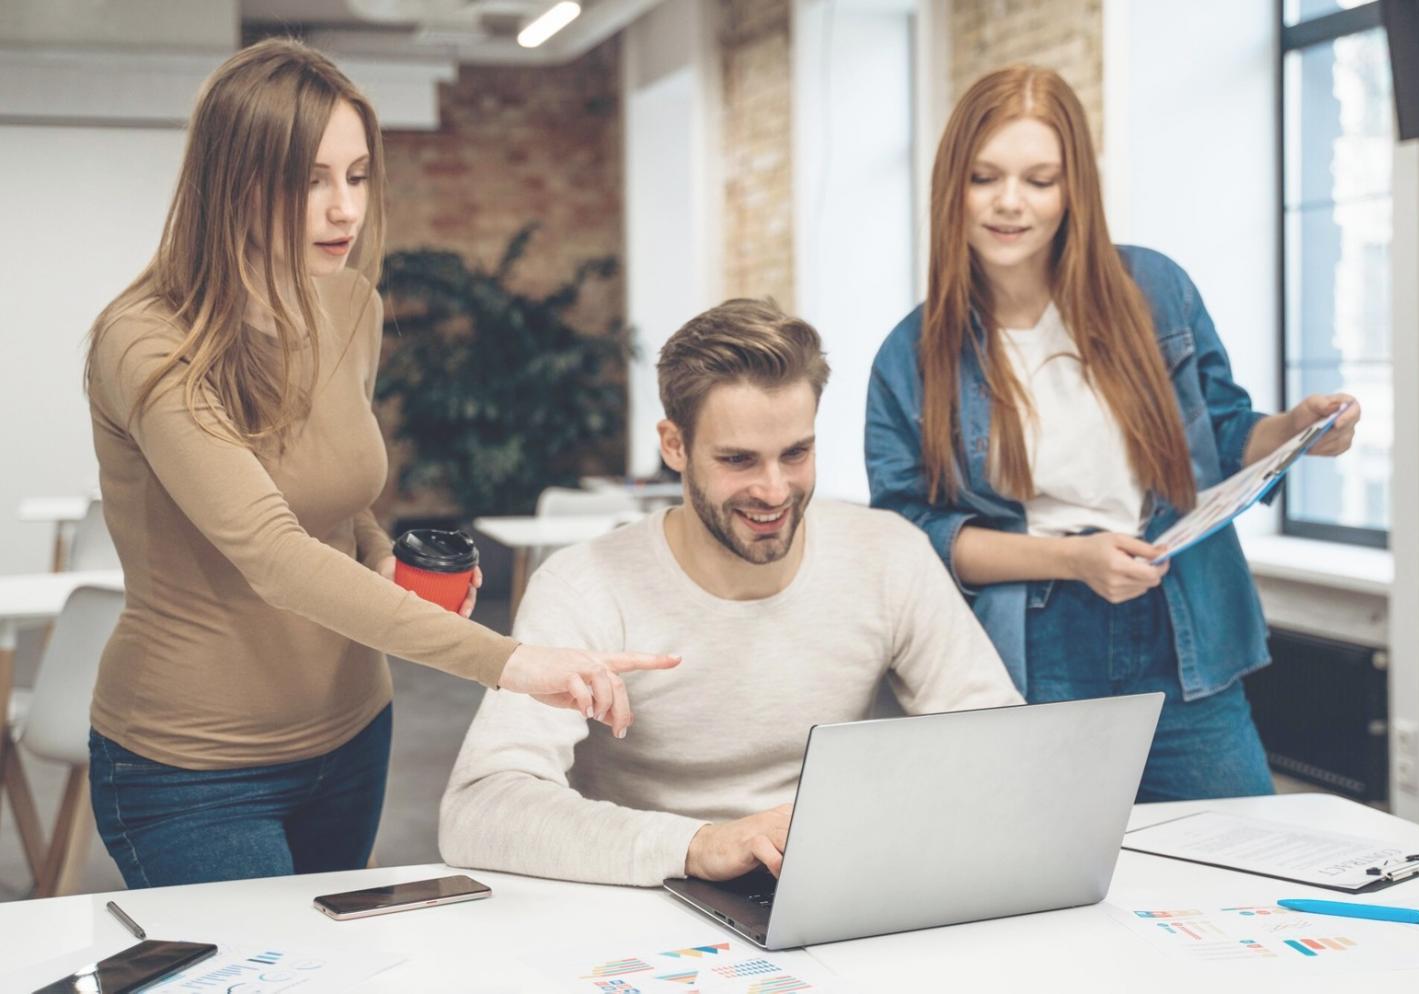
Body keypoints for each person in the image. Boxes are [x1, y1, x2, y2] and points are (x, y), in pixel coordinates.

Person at [83, 38, 677, 889]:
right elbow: (276, 554)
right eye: (310, 180)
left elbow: (339, 503)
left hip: (352, 736)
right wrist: (508, 659)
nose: (344, 210)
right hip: (193, 767)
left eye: (358, 176)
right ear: (235, 181)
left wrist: (385, 564)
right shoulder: (145, 342)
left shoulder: (348, 304)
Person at [865, 65, 1360, 802]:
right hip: (1030, 653)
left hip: (1182, 633)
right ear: (952, 188)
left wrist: (1294, 430)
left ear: (1074, 192)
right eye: (984, 177)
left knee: (1240, 867)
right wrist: (1072, 561)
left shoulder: (1156, 293)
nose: (1010, 203)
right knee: (1048, 892)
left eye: (1039, 180)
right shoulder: (911, 357)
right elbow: (914, 534)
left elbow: (1222, 435)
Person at [439, 299, 1023, 887]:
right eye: (738, 460)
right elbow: (480, 808)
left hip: (832, 884)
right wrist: (700, 844)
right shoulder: (583, 587)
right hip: (654, 898)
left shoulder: (888, 553)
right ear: (674, 446)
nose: (774, 491)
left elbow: (1000, 742)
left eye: (796, 453)